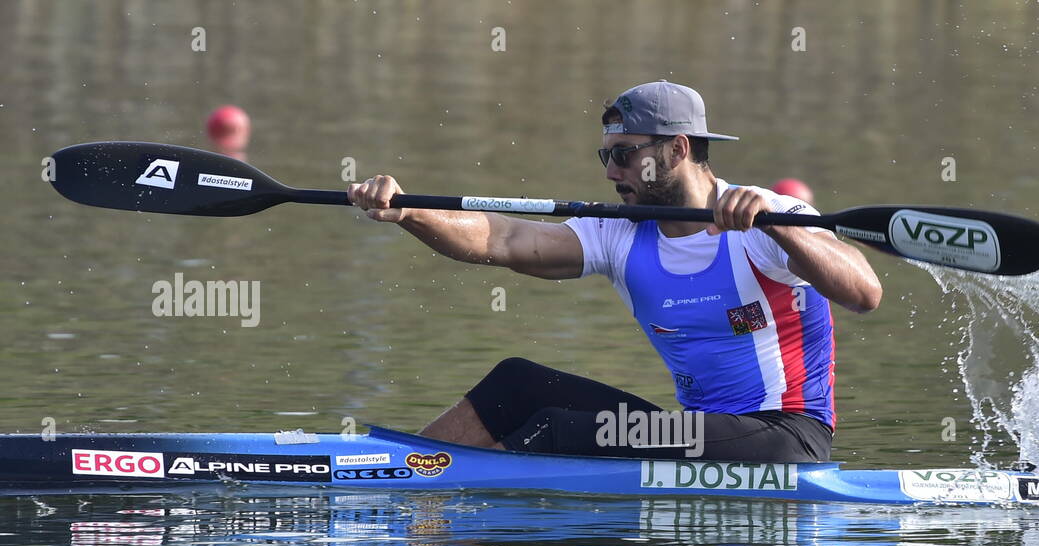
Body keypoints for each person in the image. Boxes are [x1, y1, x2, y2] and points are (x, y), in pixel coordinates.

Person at [348, 80, 881, 462]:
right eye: (604, 156)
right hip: (699, 433)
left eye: (624, 156)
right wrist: (409, 212)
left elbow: (864, 292)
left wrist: (777, 229)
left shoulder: (768, 217)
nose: (610, 173)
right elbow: (505, 238)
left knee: (557, 430)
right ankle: (397, 470)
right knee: (519, 384)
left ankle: (444, 530)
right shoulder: (620, 230)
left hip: (786, 437)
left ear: (678, 148)